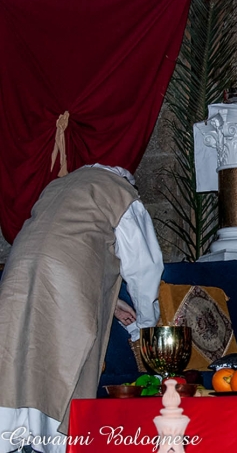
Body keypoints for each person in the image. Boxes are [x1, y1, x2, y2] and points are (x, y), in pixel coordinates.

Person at [0, 164, 164, 453]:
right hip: (63, 278)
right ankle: (52, 445)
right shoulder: (121, 193)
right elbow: (144, 268)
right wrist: (147, 327)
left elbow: (70, 243)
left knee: (17, 353)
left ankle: (12, 439)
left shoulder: (58, 187)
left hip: (17, 275)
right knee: (66, 355)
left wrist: (115, 305)